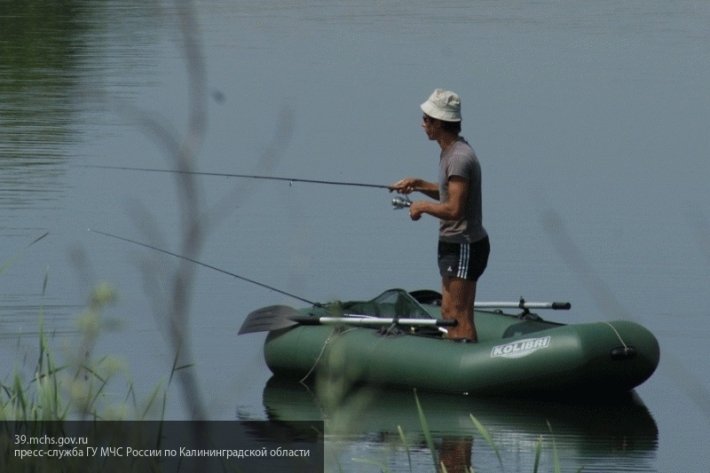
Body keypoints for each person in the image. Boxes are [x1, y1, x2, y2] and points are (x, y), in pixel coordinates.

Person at [390, 89, 490, 342]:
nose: (423, 125)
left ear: (440, 123)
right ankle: (455, 358)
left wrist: (421, 206)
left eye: (427, 120)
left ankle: (467, 364)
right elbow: (449, 192)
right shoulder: (450, 152)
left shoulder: (458, 157)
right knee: (448, 311)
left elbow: (454, 209)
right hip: (452, 244)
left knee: (458, 314)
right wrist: (419, 183)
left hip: (465, 244)